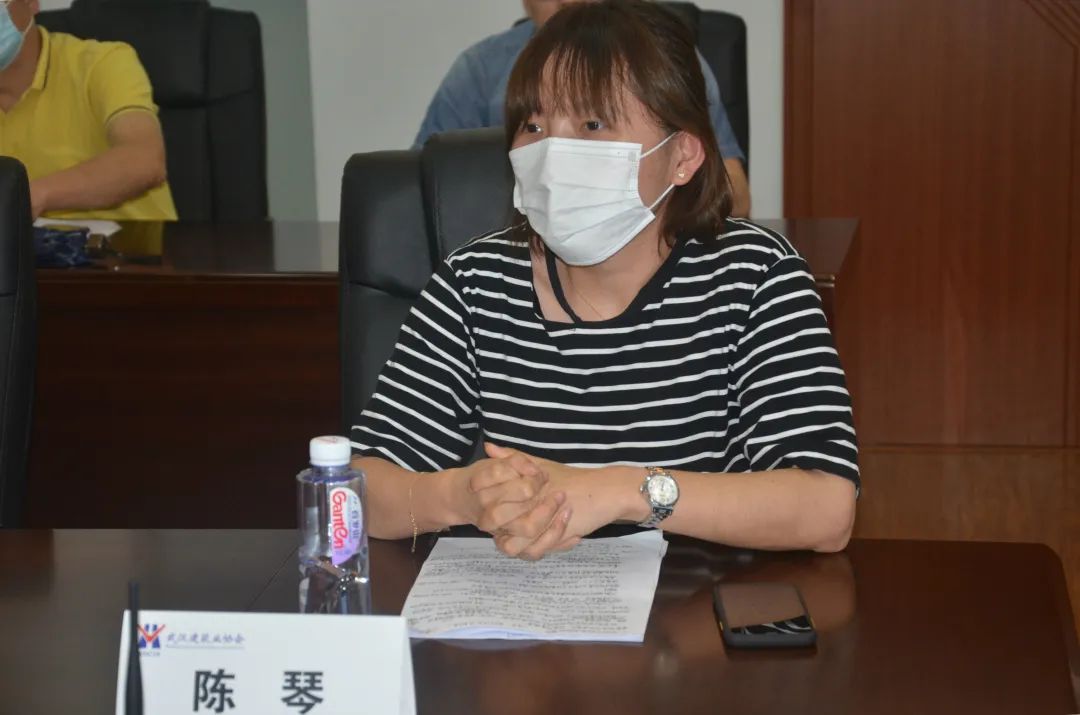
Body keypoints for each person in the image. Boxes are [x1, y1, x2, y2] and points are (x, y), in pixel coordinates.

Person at [353, 0, 857, 561]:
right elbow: (358, 489)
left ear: (683, 155)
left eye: (592, 124)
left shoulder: (754, 276)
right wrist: (457, 496)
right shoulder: (476, 283)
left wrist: (623, 491)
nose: (553, 153)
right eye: (533, 126)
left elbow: (826, 508)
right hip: (524, 601)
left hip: (696, 603)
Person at [415, 0, 752, 217]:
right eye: (533, 127)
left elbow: (732, 195)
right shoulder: (480, 69)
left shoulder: (668, 60)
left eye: (593, 124)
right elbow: (421, 192)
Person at [0, 0, 176, 220]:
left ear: (31, 2)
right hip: (25, 241)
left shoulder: (102, 63)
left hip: (133, 238)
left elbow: (144, 161)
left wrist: (26, 197)